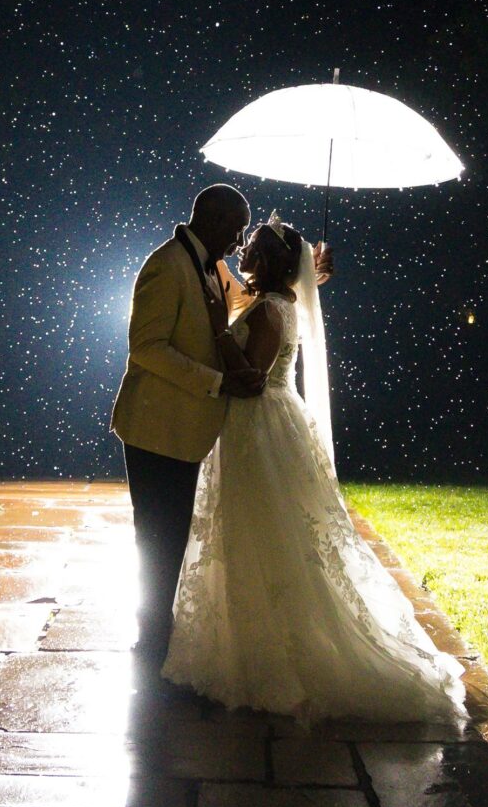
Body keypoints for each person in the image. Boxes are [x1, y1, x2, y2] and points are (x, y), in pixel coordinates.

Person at [162, 214, 469, 726]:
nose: (241, 254)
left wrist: (218, 336)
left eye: (251, 249)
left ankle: (272, 662)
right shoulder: (282, 302)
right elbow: (249, 298)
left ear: (264, 260)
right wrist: (311, 274)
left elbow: (254, 378)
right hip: (271, 425)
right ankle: (253, 646)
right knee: (267, 534)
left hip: (257, 425)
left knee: (261, 534)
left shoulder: (269, 312)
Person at [110, 184, 258, 670]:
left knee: (173, 533)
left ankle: (160, 632)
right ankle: (151, 639)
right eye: (236, 231)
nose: (239, 244)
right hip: (155, 425)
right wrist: (217, 382)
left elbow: (253, 302)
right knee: (157, 534)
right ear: (212, 221)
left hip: (186, 426)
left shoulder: (213, 265)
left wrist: (307, 276)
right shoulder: (166, 264)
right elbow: (146, 348)